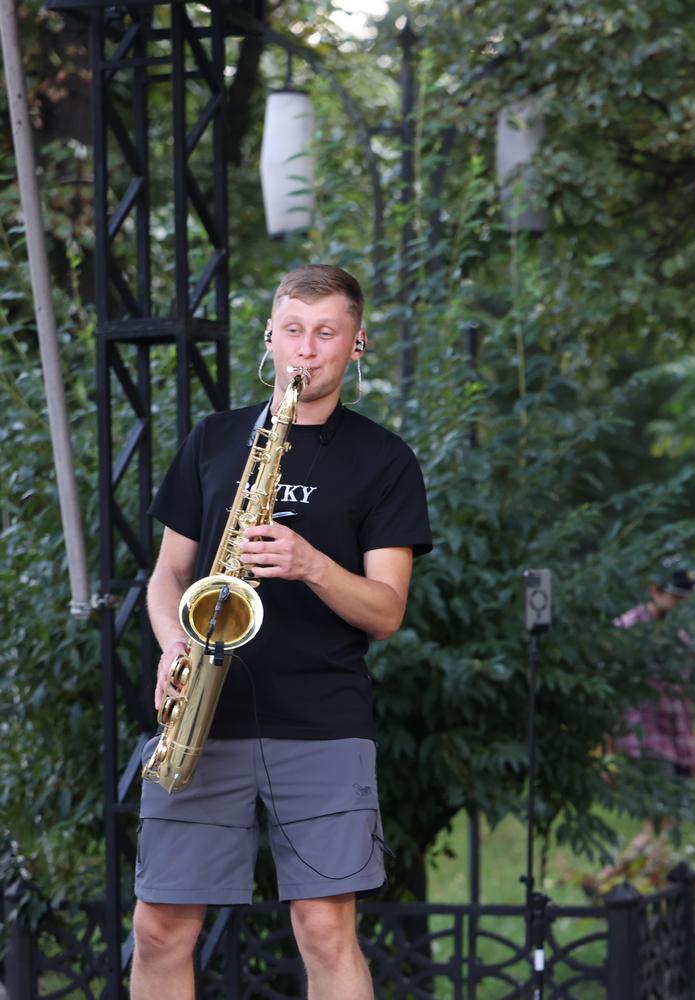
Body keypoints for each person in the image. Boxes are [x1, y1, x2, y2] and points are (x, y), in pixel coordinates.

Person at [131, 265, 432, 1000]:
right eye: (293, 330)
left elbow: (388, 612)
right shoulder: (214, 440)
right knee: (159, 928)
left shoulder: (384, 459)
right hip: (204, 710)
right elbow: (167, 576)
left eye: (326, 333)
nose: (307, 349)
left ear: (356, 344)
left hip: (322, 720)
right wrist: (174, 640)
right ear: (269, 336)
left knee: (325, 929)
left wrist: (310, 564)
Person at [613, 556, 695, 782]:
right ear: (655, 590)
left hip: (678, 742)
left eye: (684, 598)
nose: (680, 604)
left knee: (679, 811)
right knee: (658, 813)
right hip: (645, 740)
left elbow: (682, 698)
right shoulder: (627, 629)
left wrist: (691, 750)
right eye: (675, 597)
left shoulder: (679, 636)